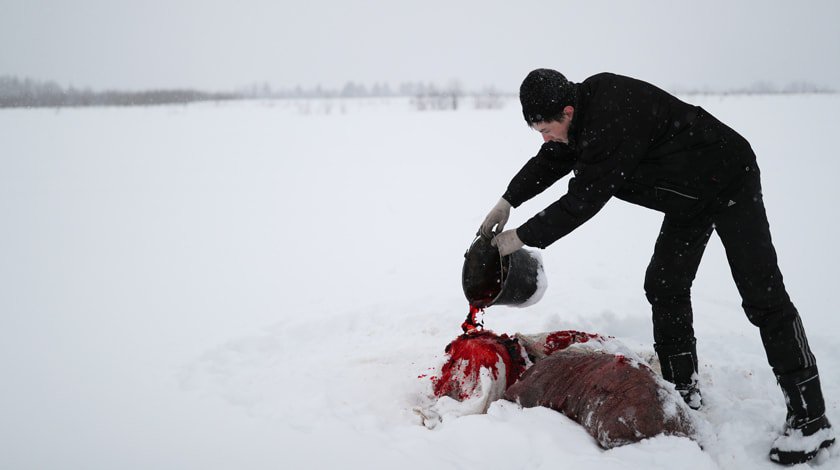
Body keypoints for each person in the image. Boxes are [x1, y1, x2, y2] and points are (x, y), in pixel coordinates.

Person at [479, 69, 834, 465]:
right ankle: (684, 387)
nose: (546, 138)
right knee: (664, 285)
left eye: (547, 128)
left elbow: (583, 200)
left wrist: (519, 238)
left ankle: (811, 419)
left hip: (728, 178)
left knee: (762, 295)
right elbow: (553, 158)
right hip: (688, 196)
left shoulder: (610, 118)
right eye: (538, 132)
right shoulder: (578, 118)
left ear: (567, 109)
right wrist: (509, 199)